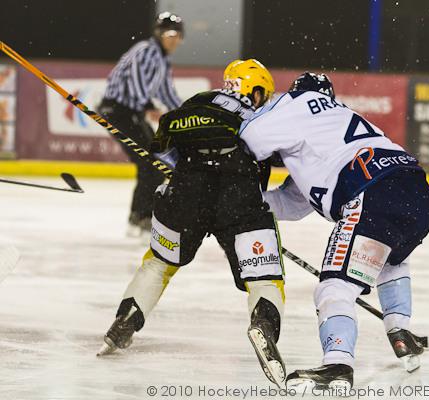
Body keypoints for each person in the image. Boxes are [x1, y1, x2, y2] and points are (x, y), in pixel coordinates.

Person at [97, 59, 288, 388]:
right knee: (264, 277)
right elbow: (273, 155)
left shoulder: (197, 102)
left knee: (158, 263)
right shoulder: (259, 115)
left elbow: (162, 148)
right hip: (238, 198)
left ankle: (125, 320)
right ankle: (264, 325)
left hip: (185, 192)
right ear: (255, 91)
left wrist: (189, 172)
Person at [240, 72, 429, 390]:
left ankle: (338, 365)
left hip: (372, 192)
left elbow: (251, 139)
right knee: (389, 256)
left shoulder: (298, 102)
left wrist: (222, 193)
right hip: (417, 191)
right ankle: (399, 329)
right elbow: (293, 203)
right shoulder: (336, 122)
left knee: (335, 288)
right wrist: (244, 206)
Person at [98, 12, 184, 236]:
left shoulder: (162, 60)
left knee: (154, 162)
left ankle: (139, 216)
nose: (174, 40)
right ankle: (142, 217)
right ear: (159, 34)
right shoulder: (146, 50)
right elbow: (136, 80)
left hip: (131, 113)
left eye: (177, 35)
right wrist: (148, 106)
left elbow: (167, 93)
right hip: (118, 111)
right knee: (151, 162)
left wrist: (187, 113)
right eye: (169, 34)